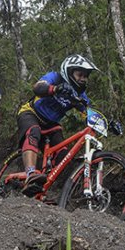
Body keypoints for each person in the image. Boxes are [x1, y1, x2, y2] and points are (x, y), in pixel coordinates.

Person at [16, 54, 98, 197]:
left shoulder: (80, 95)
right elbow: (37, 88)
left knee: (63, 156)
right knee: (33, 131)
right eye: (80, 74)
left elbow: (90, 114)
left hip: (51, 125)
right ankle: (30, 173)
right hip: (31, 113)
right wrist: (55, 89)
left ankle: (43, 187)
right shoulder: (55, 77)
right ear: (69, 71)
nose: (83, 79)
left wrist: (107, 122)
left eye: (86, 76)